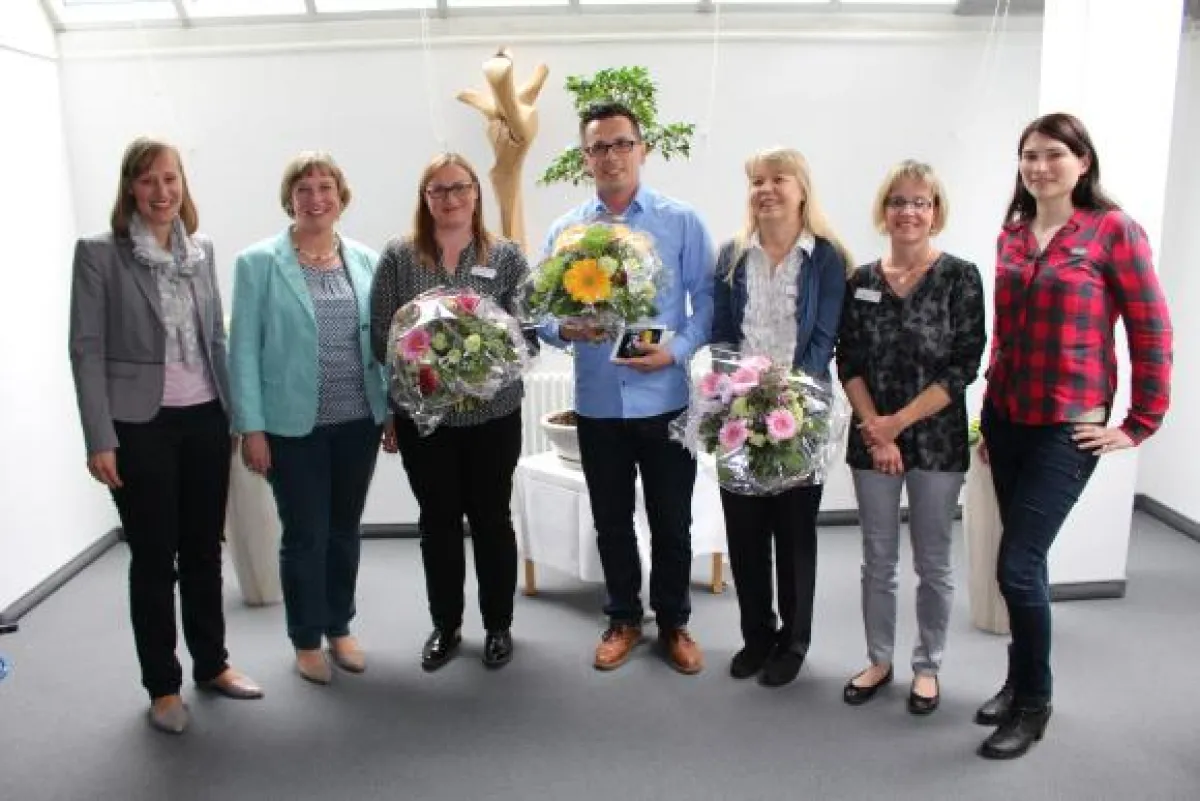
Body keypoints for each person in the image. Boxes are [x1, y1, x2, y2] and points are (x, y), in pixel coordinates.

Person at [976, 112, 1173, 759]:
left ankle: (1035, 703)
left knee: (1018, 565)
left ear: (1082, 162)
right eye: (1029, 155)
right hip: (1007, 419)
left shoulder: (1113, 231)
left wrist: (1140, 422)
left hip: (1069, 424)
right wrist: (986, 414)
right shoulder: (1012, 235)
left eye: (1053, 154)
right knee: (1019, 565)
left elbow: (1151, 330)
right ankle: (1017, 680)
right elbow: (1004, 335)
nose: (1039, 166)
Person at [68, 136, 262, 734]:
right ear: (131, 187)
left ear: (183, 185)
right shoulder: (100, 254)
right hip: (137, 425)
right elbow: (86, 349)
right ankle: (162, 687)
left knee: (204, 550)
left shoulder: (199, 251)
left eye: (171, 179)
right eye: (149, 180)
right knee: (155, 558)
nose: (162, 192)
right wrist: (99, 437)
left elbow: (217, 339)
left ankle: (213, 664)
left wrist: (233, 414)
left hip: (205, 418)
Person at [541, 101, 715, 674]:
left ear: (642, 149)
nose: (611, 155)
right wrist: (566, 328)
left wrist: (677, 351)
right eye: (599, 147)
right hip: (597, 403)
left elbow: (708, 302)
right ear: (585, 157)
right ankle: (621, 618)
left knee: (672, 520)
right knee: (610, 520)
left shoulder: (680, 220)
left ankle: (673, 623)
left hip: (665, 398)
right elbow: (540, 315)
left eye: (622, 143)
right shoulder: (566, 232)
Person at [229, 152, 388, 685]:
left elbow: (380, 343)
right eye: (305, 189)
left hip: (357, 420)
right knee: (305, 533)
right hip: (290, 427)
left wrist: (387, 409)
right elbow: (243, 351)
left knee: (344, 529)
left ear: (341, 196)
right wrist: (250, 426)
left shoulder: (365, 260)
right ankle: (305, 638)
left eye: (326, 187)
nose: (316, 198)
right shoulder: (259, 263)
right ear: (289, 199)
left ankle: (339, 626)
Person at [369, 153, 530, 671]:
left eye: (459, 188)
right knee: (437, 522)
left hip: (494, 416)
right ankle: (447, 625)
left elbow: (524, 335)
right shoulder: (399, 256)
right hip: (426, 422)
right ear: (425, 198)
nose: (450, 198)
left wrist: (480, 365)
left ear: (476, 193)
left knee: (491, 519)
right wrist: (425, 363)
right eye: (437, 190)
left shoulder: (504, 256)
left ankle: (499, 626)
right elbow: (380, 335)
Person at [836, 160, 985, 712]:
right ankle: (879, 660)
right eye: (898, 201)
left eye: (921, 202)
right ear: (884, 211)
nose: (909, 211)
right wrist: (878, 431)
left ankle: (928, 667)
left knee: (933, 562)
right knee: (878, 557)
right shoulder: (861, 282)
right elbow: (846, 359)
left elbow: (963, 365)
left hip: (937, 441)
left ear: (936, 212)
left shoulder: (960, 277)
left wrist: (896, 425)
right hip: (873, 439)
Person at [710, 147, 850, 687]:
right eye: (756, 181)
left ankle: (793, 641)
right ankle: (756, 637)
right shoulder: (731, 255)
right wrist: (732, 393)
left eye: (777, 179)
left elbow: (823, 338)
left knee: (793, 535)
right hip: (737, 414)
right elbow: (723, 334)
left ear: (801, 189)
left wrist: (784, 399)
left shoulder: (827, 257)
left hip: (801, 413)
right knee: (744, 534)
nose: (765, 189)